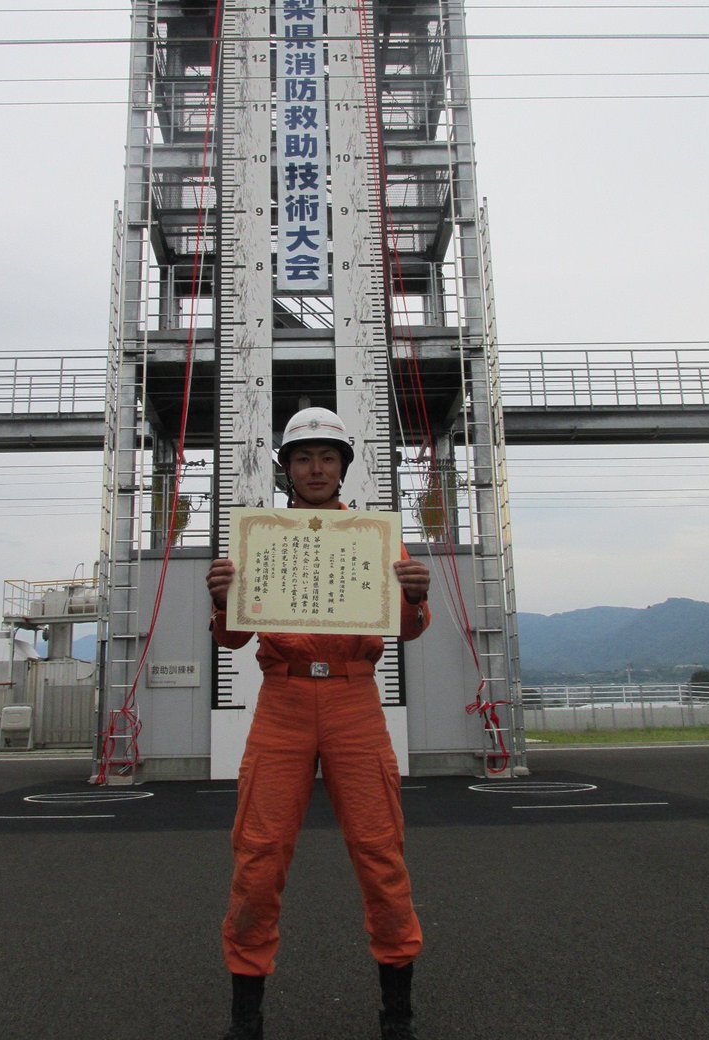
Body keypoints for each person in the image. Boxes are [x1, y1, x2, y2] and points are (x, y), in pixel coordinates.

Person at [207, 407, 431, 1040]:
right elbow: (232, 638)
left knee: (380, 850)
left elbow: (408, 627)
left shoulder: (375, 538)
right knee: (259, 854)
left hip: (354, 700)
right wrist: (221, 600)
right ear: (286, 469)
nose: (315, 469)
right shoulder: (258, 538)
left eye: (327, 457)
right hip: (281, 699)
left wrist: (415, 595)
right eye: (303, 458)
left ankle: (397, 1016)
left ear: (343, 468)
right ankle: (245, 1019)